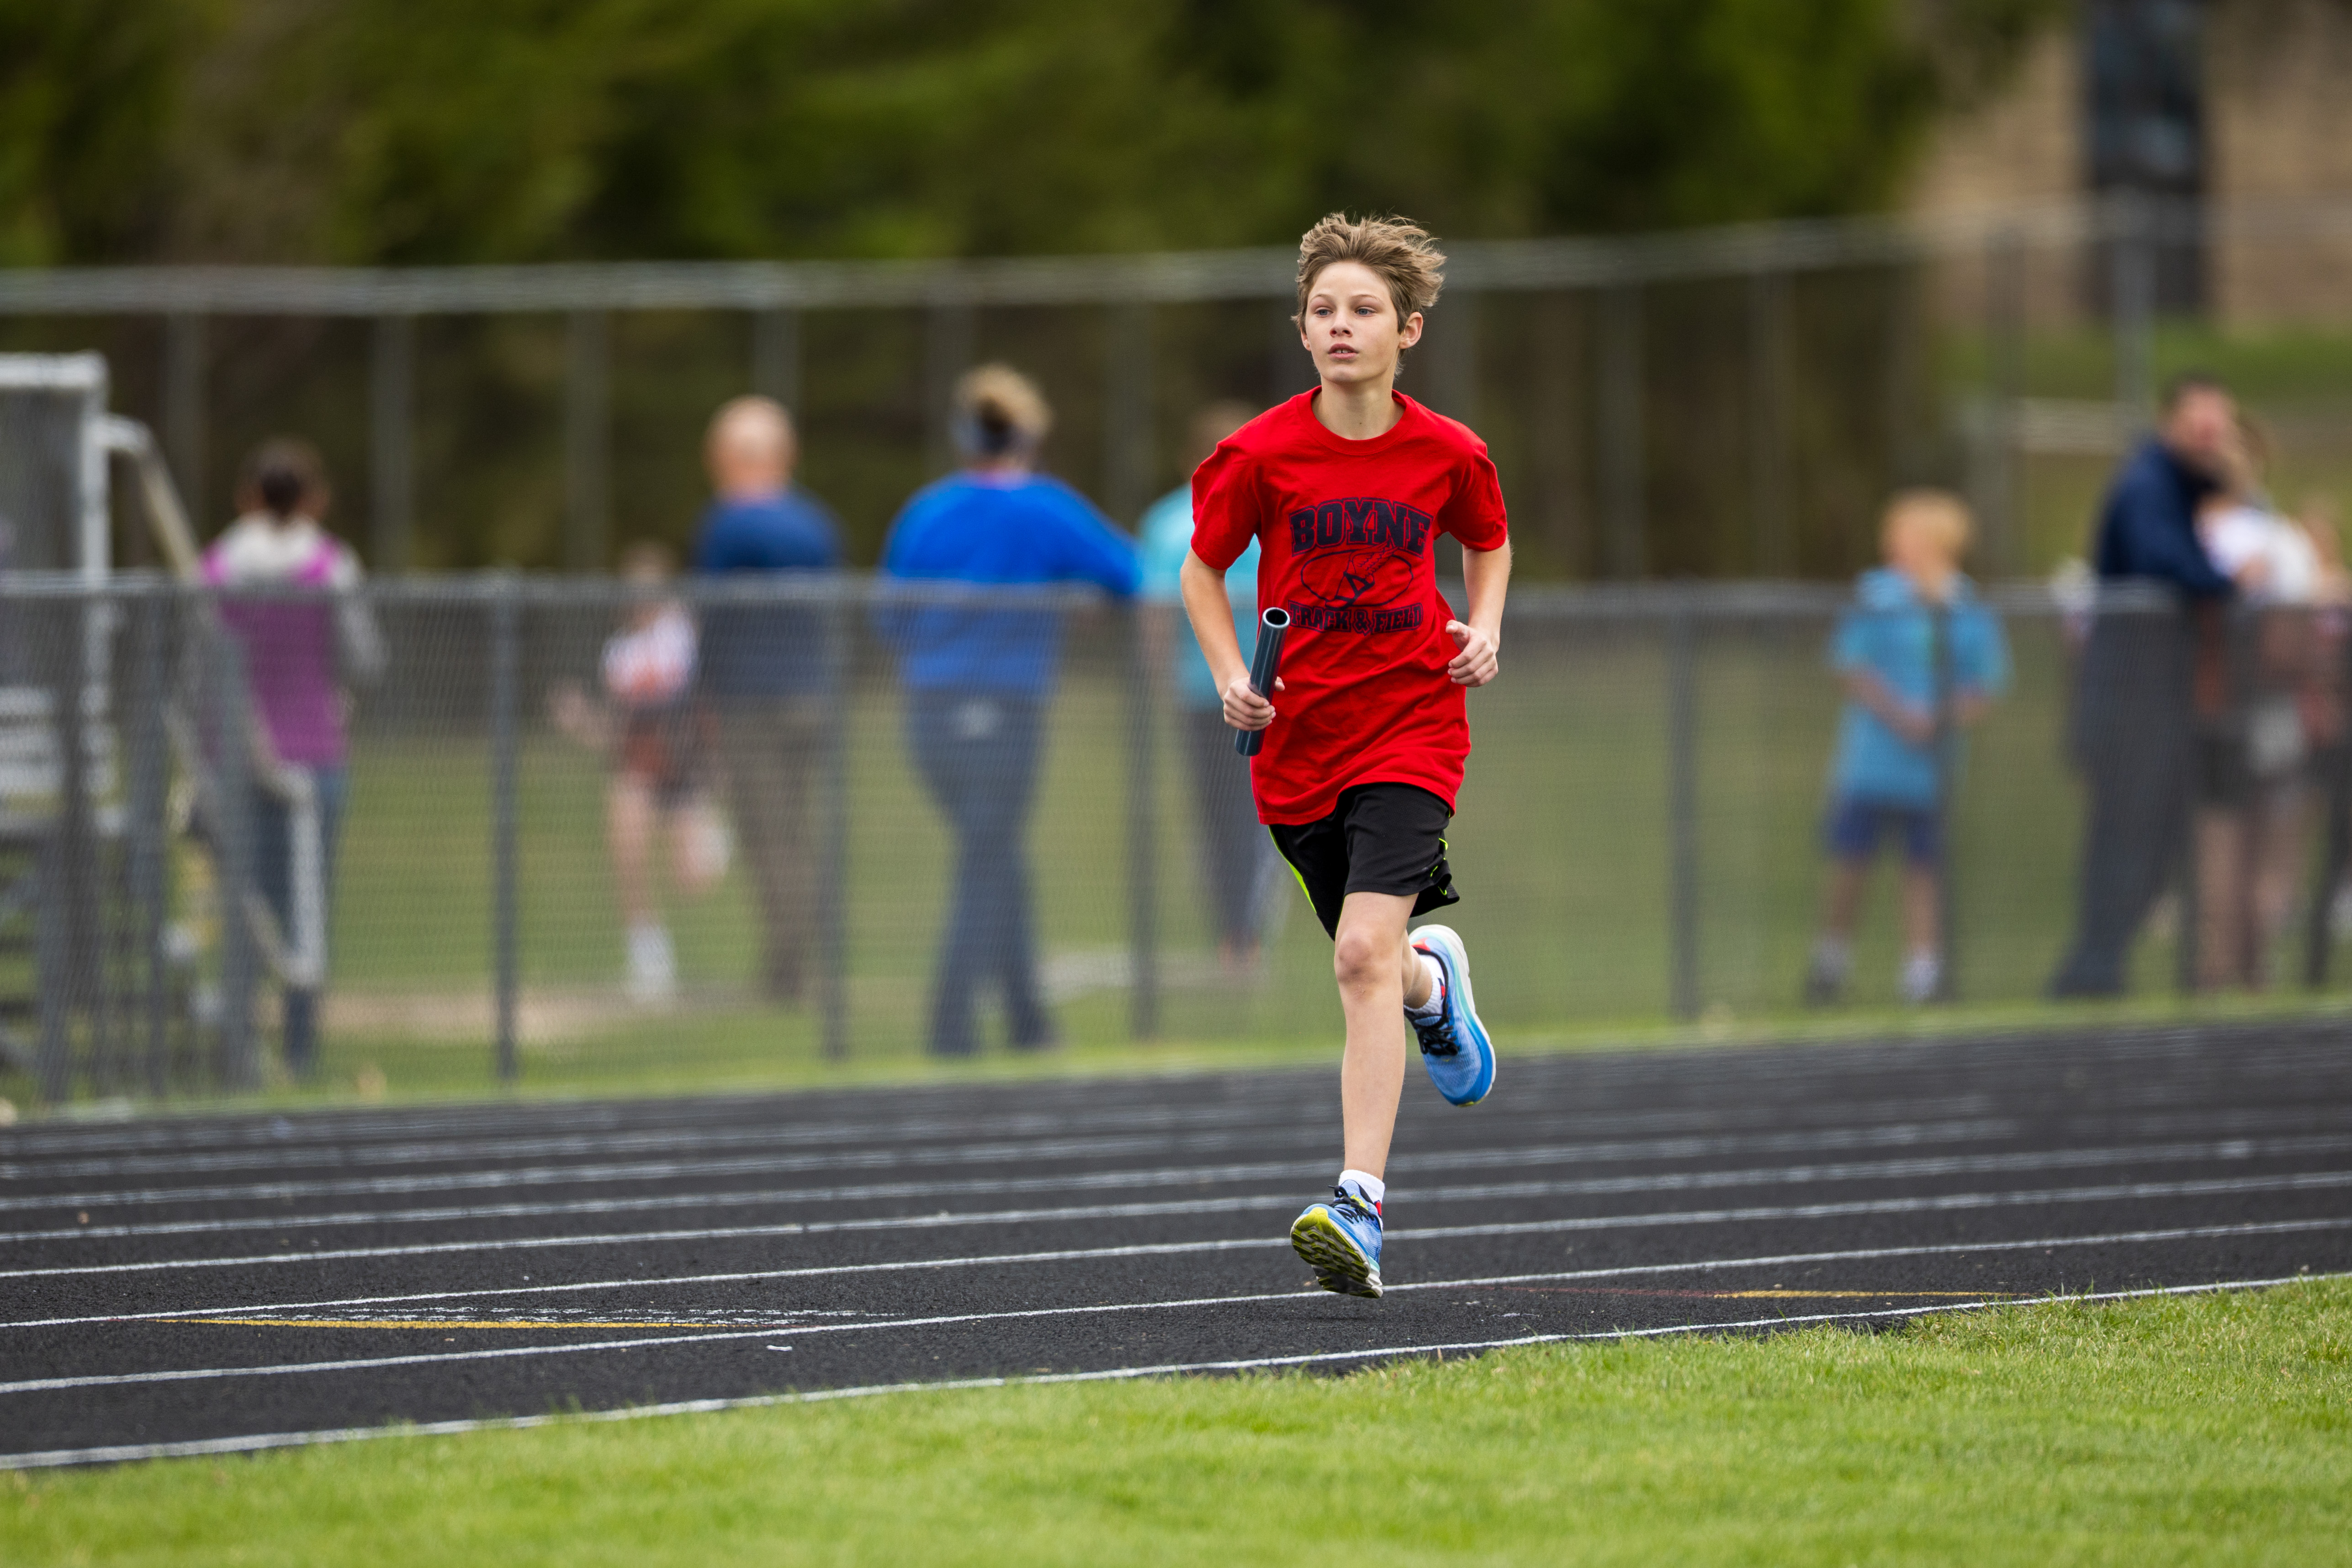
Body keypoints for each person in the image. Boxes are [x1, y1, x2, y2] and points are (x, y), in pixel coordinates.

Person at [1184, 213, 1509, 1298]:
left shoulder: (1450, 452)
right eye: (1322, 309)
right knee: (1380, 961)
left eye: (1363, 309)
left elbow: (1488, 539)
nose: (1340, 325)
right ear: (1301, 329)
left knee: (1357, 954)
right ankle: (1434, 985)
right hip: (1296, 745)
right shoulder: (1258, 454)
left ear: (1407, 330)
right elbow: (1201, 570)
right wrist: (1229, 671)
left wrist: (1484, 626)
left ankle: (1358, 1203)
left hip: (1413, 724)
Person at [878, 365, 1140, 1056]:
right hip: (1004, 712)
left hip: (929, 718)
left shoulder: (927, 512)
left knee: (996, 858)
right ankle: (950, 1029)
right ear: (1027, 436)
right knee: (987, 860)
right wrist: (1072, 598)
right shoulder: (1043, 509)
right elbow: (1130, 574)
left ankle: (1028, 1024)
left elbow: (889, 619)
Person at [2049, 373, 2237, 999]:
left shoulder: (2182, 488)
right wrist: (2229, 582)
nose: (2210, 441)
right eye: (2198, 428)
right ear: (2169, 424)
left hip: (2160, 703)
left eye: (2218, 430)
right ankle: (2091, 967)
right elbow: (2167, 564)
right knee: (2124, 836)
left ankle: (2102, 965)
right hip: (2130, 702)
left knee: (2155, 841)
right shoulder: (2146, 487)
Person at [204, 438, 384, 1077]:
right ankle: (300, 1053)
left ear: (246, 497)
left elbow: (198, 665)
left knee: (243, 906)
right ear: (315, 499)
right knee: (306, 907)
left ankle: (241, 1050)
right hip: (313, 752)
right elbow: (365, 659)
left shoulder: (217, 569)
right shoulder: (331, 566)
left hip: (234, 756)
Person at [1803, 491, 2009, 1007]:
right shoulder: (1876, 595)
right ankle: (1829, 962)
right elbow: (1850, 665)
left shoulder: (1967, 605)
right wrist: (1898, 714)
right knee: (1851, 861)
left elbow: (1985, 686)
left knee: (1924, 870)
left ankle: (1921, 975)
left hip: (1932, 772)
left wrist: (1939, 717)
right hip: (1871, 763)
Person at [692, 396, 842, 1004]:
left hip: (752, 701)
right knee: (799, 831)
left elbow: (712, 617)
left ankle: (787, 972)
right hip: (813, 694)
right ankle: (813, 958)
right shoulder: (816, 522)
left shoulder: (727, 524)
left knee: (769, 836)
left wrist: (701, 692)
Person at [549, 542, 728, 1005]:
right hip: (637, 766)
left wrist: (712, 766)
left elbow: (705, 704)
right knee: (626, 853)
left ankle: (712, 834)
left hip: (683, 767)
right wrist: (581, 720)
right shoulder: (620, 652)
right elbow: (616, 731)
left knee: (692, 883)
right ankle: (649, 959)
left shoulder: (685, 633)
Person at [1139, 400, 1278, 972]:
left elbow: (1153, 619)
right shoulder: (1274, 516)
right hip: (1253, 692)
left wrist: (1161, 679)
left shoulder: (1168, 523)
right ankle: (1242, 933)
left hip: (1208, 694)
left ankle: (1236, 932)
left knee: (1221, 815)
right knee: (1246, 813)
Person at [2191, 416, 2322, 988]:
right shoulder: (2272, 538)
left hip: (2244, 702)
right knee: (2249, 834)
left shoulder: (2257, 538)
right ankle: (2240, 962)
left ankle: (2232, 961)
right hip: (2241, 703)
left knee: (2235, 833)